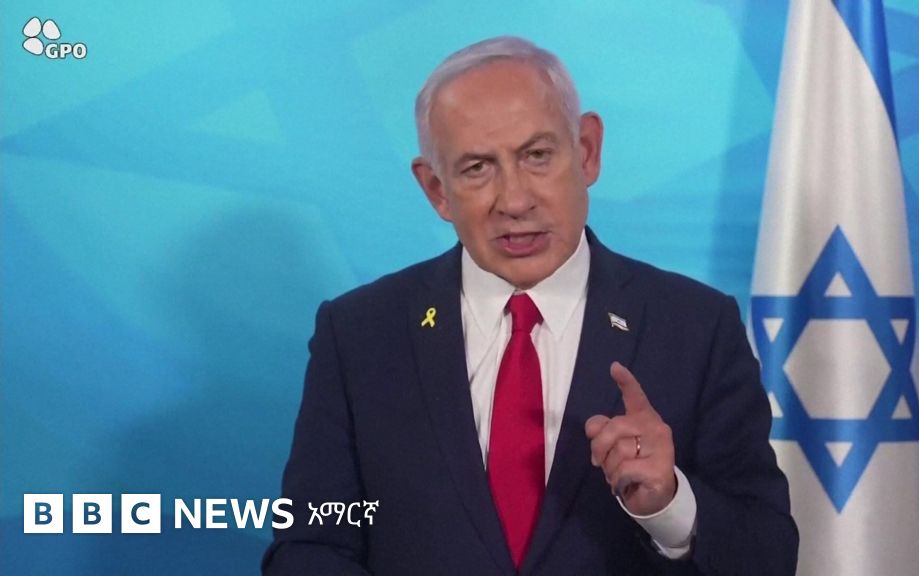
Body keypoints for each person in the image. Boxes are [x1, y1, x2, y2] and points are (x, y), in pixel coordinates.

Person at [262, 36, 797, 575]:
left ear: (586, 151)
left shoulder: (695, 328)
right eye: (477, 167)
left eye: (537, 156)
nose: (515, 201)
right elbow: (310, 546)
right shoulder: (360, 335)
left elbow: (770, 555)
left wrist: (670, 506)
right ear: (436, 189)